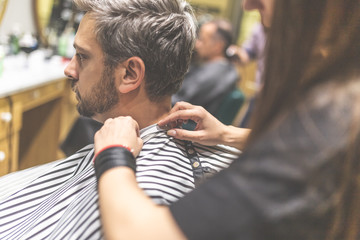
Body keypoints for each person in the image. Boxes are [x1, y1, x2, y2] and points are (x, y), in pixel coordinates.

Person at [93, 0, 360, 239]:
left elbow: (141, 234)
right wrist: (228, 134)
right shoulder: (340, 105)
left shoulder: (326, 123)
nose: (248, 5)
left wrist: (113, 153)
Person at [0, 0, 240, 239]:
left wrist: (112, 156)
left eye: (82, 56)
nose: (70, 69)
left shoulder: (152, 192)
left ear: (129, 74)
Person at [172, 19, 240, 116]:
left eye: (202, 40)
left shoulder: (213, 74)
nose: (197, 44)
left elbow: (180, 101)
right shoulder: (226, 69)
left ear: (218, 46)